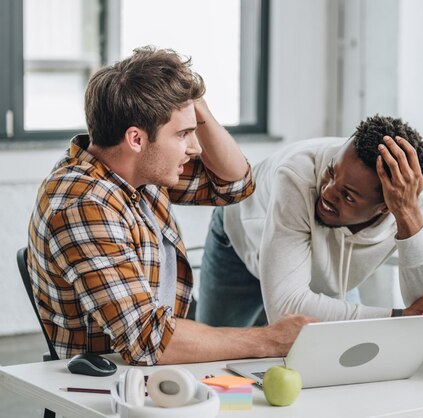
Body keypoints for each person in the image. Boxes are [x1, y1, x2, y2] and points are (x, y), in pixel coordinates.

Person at [27, 46, 312, 366]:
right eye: (183, 134)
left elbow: (235, 184)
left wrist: (195, 105)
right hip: (113, 386)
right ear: (136, 139)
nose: (195, 147)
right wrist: (272, 339)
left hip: (159, 367)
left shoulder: (135, 174)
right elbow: (148, 340)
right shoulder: (83, 205)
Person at [196, 115, 423, 327]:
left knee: (335, 362)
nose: (327, 192)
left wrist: (408, 214)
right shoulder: (296, 176)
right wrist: (399, 319)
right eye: (331, 172)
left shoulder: (421, 195)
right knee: (215, 360)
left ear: (386, 206)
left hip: (326, 271)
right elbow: (286, 309)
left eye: (348, 195)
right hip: (241, 240)